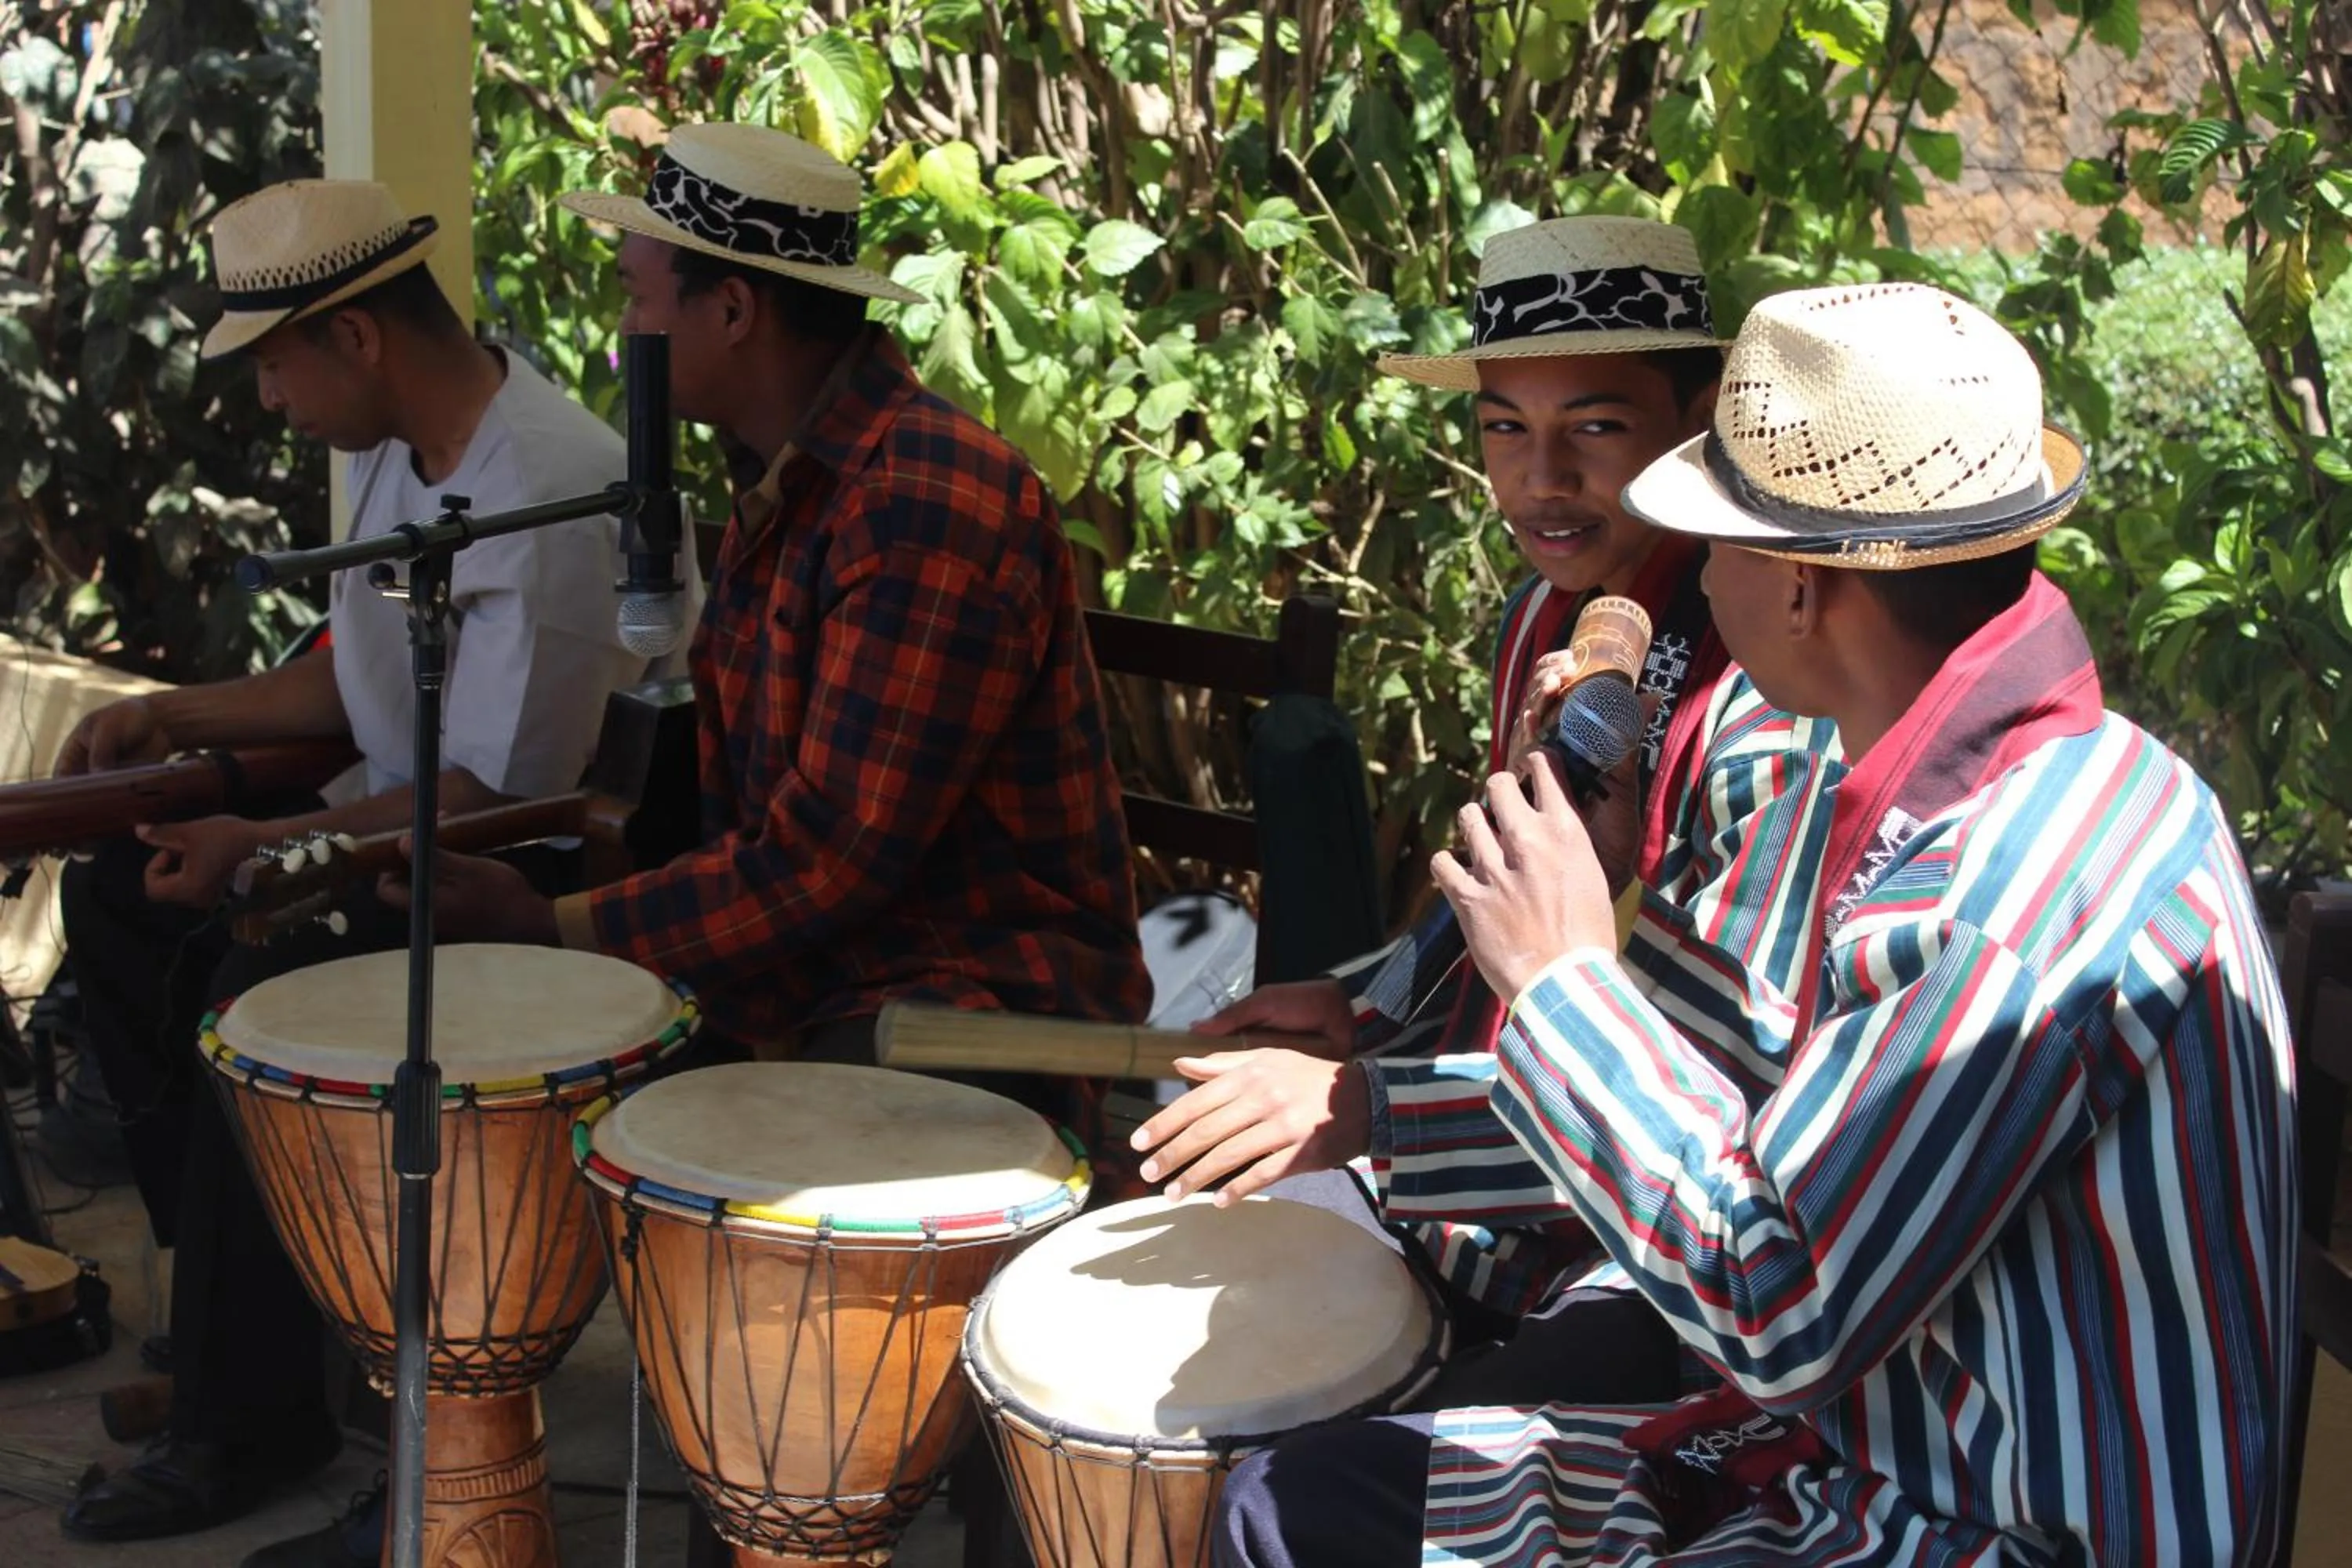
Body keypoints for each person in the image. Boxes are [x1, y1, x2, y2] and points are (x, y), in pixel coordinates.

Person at [1211, 282, 2297, 1566]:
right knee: (1297, 1501)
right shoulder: (2034, 786)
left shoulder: (1996, 894)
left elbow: (1774, 1307)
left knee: (1307, 1516)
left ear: (1794, 586)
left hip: (1969, 1527)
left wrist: (1564, 976)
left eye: (1710, 543)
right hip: (1877, 1452)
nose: (1690, 581)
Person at [352, 123, 1150, 1568]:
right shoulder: (786, 481)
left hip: (978, 1005)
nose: (623, 327)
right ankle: (462, 1490)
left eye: (646, 293)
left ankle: (787, 1522)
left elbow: (832, 863)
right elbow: (772, 842)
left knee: (705, 1139)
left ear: (733, 308)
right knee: (476, 1068)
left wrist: (564, 932)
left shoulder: (924, 499)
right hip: (836, 970)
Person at [57, 179, 680, 1548]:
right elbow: (361, 688)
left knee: (252, 981)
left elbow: (503, 796)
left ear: (353, 336)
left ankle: (248, 1412)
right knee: (109, 897)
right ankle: (250, 1320)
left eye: (274, 359)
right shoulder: (400, 448)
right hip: (407, 828)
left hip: (507, 875)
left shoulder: (548, 481)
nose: (270, 397)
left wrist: (268, 849)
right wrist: (177, 716)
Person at [1130, 218, 1839, 1395]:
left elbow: (1728, 1087)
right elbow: (1499, 910)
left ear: (1702, 417)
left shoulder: (1768, 687)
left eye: (1595, 429)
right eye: (1505, 428)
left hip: (1642, 1252)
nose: (1541, 479)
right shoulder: (1538, 618)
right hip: (1477, 1185)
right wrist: (1367, 1004)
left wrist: (1373, 1111)